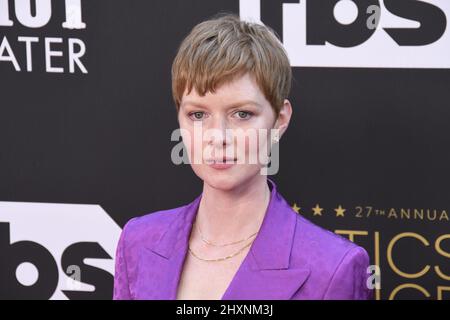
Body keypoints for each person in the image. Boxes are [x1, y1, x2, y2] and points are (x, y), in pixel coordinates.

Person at [113, 13, 373, 300]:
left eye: (242, 114)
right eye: (197, 114)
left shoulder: (333, 267)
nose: (218, 136)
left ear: (279, 120)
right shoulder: (137, 241)